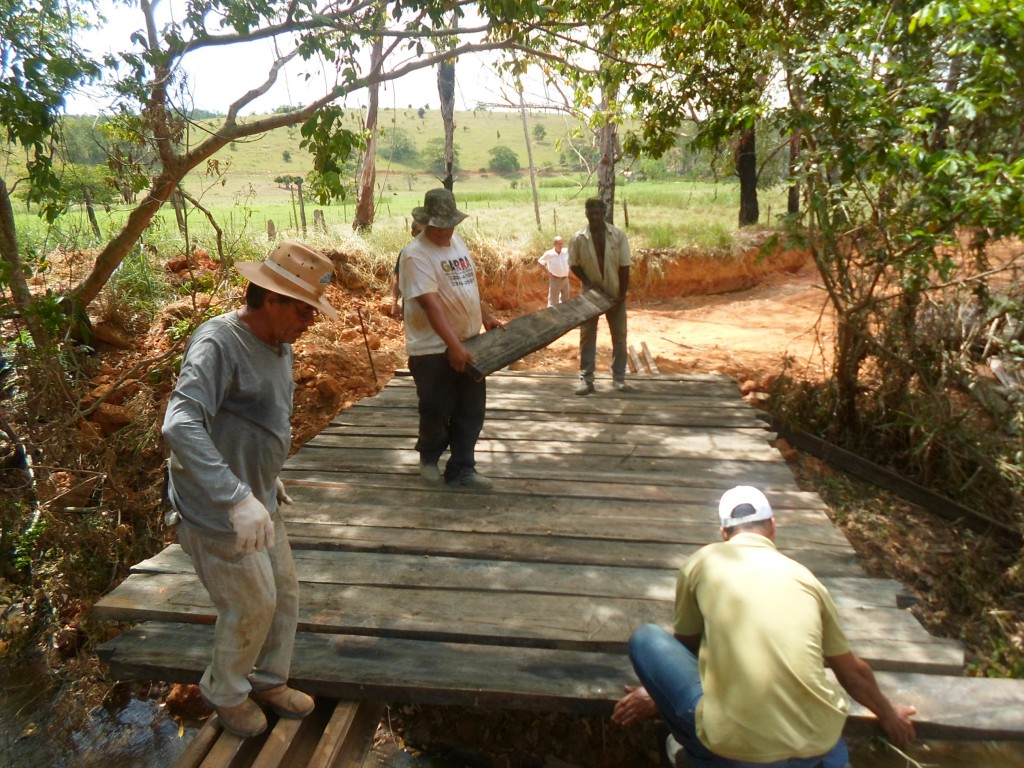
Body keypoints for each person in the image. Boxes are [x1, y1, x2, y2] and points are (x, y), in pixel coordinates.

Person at [161, 240, 340, 739]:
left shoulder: (279, 343)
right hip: (218, 510)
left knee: (283, 594)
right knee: (251, 605)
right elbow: (181, 423)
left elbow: (254, 419)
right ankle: (226, 691)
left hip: (258, 498)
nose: (311, 322)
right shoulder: (219, 342)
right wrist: (234, 496)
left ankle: (268, 680)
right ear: (270, 298)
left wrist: (264, 475)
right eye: (305, 310)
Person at [611, 486, 917, 767]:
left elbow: (685, 649)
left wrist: (656, 691)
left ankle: (694, 754)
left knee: (646, 638)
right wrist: (890, 716)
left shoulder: (702, 561)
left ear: (724, 533)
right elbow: (852, 672)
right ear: (772, 526)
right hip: (818, 749)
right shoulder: (807, 579)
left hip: (737, 751)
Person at [399, 188, 504, 489]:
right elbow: (431, 305)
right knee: (435, 408)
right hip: (433, 349)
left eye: (450, 224)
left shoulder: (456, 241)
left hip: (469, 343)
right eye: (439, 226)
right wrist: (453, 347)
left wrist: (485, 316)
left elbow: (468, 286)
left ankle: (462, 467)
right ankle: (429, 457)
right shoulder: (415, 255)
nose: (446, 231)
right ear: (425, 222)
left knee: (471, 410)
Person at [568, 197, 631, 395]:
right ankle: (586, 380)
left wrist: (621, 295)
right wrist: (588, 282)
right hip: (590, 296)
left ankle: (619, 378)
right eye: (591, 213)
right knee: (587, 337)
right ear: (585, 213)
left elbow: (625, 266)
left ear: (604, 213)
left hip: (615, 294)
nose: (595, 216)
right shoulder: (578, 238)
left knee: (619, 337)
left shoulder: (618, 235)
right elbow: (573, 264)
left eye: (598, 213)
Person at [391, 220, 425, 319]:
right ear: (413, 234)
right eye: (419, 232)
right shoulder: (405, 254)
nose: (422, 235)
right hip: (411, 305)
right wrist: (394, 303)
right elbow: (397, 278)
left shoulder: (436, 252)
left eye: (424, 232)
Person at [538, 235, 571, 307]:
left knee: (566, 300)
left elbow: (572, 258)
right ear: (555, 244)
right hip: (555, 280)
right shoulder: (549, 254)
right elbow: (540, 262)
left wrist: (569, 268)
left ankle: (563, 316)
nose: (561, 245)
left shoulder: (566, 251)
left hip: (565, 279)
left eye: (562, 243)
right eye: (559, 244)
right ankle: (551, 316)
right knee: (553, 302)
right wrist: (547, 273)